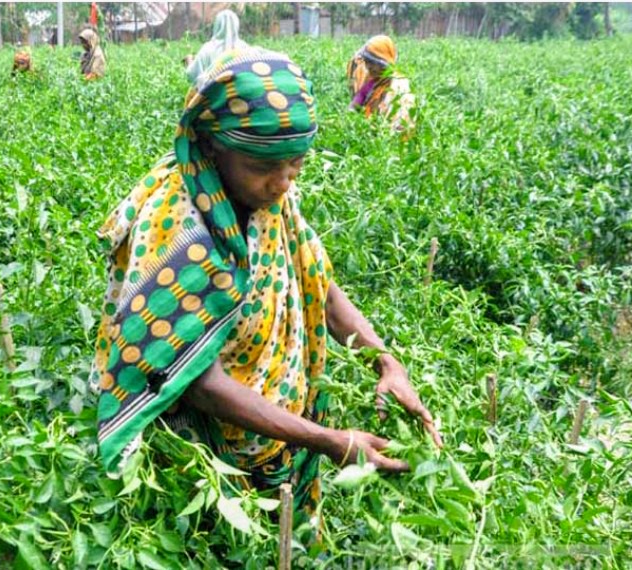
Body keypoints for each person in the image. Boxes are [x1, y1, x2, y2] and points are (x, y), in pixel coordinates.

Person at [91, 47, 441, 523]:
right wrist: (332, 441)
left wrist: (385, 361)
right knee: (218, 539)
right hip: (208, 456)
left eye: (295, 163)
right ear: (214, 145)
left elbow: (319, 285)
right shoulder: (177, 227)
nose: (283, 182)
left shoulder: (271, 198)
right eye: (264, 166)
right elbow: (195, 379)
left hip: (278, 431)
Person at [347, 35, 415, 133]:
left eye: (373, 63)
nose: (368, 67)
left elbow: (403, 123)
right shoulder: (373, 83)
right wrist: (351, 114)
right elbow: (358, 99)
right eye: (367, 62)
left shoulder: (399, 86)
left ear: (385, 63)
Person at [184, 9, 248, 87]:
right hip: (240, 94)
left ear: (217, 25)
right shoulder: (245, 48)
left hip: (213, 96)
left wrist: (189, 61)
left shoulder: (207, 48)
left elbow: (191, 75)